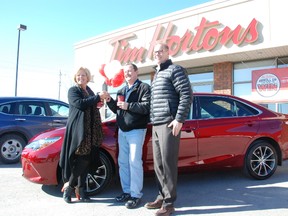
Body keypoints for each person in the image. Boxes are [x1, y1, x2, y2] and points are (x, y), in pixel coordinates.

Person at [144, 43, 193, 216]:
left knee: (168, 164)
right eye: (155, 51)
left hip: (169, 123)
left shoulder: (175, 70)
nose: (157, 53)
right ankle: (161, 196)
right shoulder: (157, 74)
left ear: (167, 52)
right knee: (158, 165)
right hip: (157, 124)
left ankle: (169, 203)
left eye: (160, 51)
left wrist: (179, 119)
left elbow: (187, 94)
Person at [59, 67, 109, 203]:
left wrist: (100, 101)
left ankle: (81, 189)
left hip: (91, 129)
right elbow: (80, 104)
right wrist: (97, 97)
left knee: (87, 158)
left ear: (87, 77)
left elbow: (93, 104)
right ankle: (69, 186)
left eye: (83, 75)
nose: (81, 77)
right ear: (76, 77)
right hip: (78, 130)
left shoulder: (90, 91)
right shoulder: (73, 90)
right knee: (81, 158)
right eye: (78, 75)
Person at [106, 63, 150, 209]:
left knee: (134, 162)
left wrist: (128, 106)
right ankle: (126, 191)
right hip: (122, 131)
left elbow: (146, 107)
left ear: (136, 72)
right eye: (125, 72)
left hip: (136, 131)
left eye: (130, 71)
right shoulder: (122, 90)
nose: (127, 74)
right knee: (123, 162)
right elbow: (118, 110)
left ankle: (136, 195)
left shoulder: (144, 88)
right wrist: (109, 101)